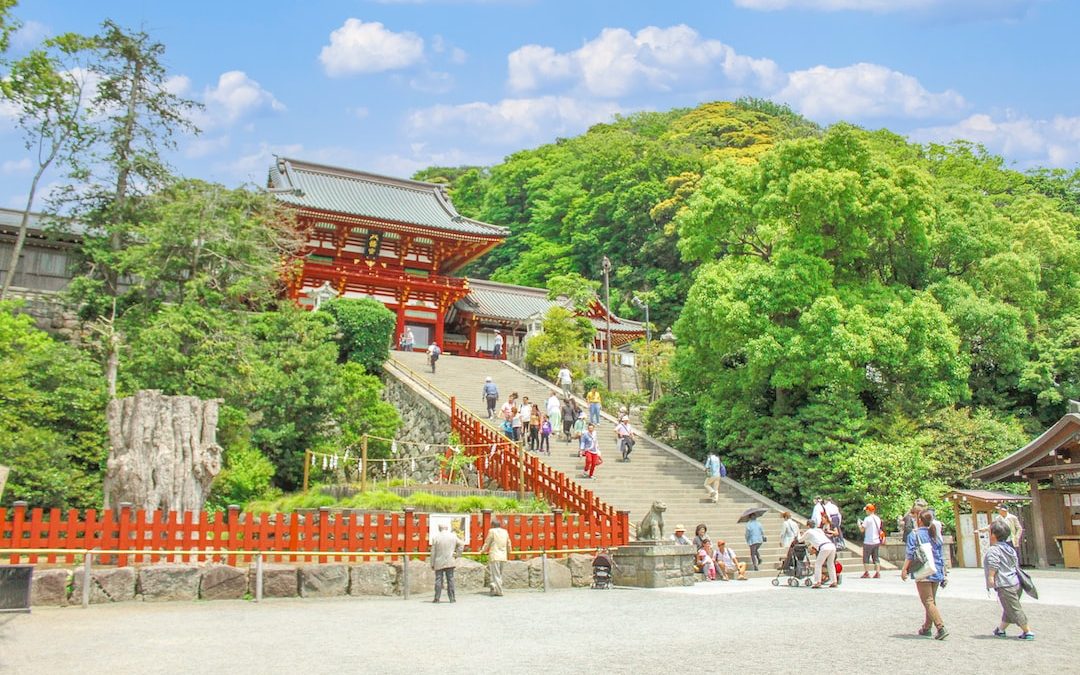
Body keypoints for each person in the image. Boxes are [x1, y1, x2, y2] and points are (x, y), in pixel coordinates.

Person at [901, 510, 948, 640]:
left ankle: (940, 627)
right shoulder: (934, 533)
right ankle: (926, 627)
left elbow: (910, 553)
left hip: (923, 569)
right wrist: (944, 572)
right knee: (931, 600)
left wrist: (904, 569)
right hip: (936, 568)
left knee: (927, 601)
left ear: (919, 520)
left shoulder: (914, 534)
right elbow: (940, 552)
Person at [985, 519, 1034, 640]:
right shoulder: (1010, 549)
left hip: (1005, 584)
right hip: (1016, 582)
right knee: (1009, 607)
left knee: (1014, 608)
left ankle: (1027, 631)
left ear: (993, 535)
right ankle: (1000, 630)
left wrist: (991, 577)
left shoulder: (993, 550)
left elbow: (993, 564)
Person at [430, 523, 464, 603]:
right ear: (447, 528)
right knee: (450, 579)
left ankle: (437, 598)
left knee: (438, 580)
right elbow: (461, 544)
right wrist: (457, 554)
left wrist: (432, 563)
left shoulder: (436, 537)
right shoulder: (453, 536)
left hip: (438, 561)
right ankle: (452, 598)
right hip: (450, 559)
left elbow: (433, 552)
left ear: (439, 528)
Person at [800, 520, 837, 588]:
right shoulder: (819, 530)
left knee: (818, 564)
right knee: (830, 564)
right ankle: (834, 581)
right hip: (831, 545)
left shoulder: (809, 531)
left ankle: (818, 582)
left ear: (808, 525)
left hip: (824, 547)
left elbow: (800, 540)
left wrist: (799, 534)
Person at [481, 518, 511, 597]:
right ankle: (495, 586)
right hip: (503, 555)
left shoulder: (492, 531)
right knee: (499, 574)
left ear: (493, 525)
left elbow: (487, 542)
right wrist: (509, 551)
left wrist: (483, 551)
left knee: (496, 574)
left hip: (495, 555)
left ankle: (499, 591)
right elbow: (508, 542)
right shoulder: (505, 532)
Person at [859, 504, 883, 579]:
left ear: (869, 510)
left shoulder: (867, 519)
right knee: (876, 557)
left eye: (866, 510)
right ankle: (878, 573)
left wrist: (859, 524)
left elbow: (862, 529)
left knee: (866, 557)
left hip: (868, 541)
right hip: (876, 541)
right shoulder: (877, 518)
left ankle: (866, 573)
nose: (865, 511)